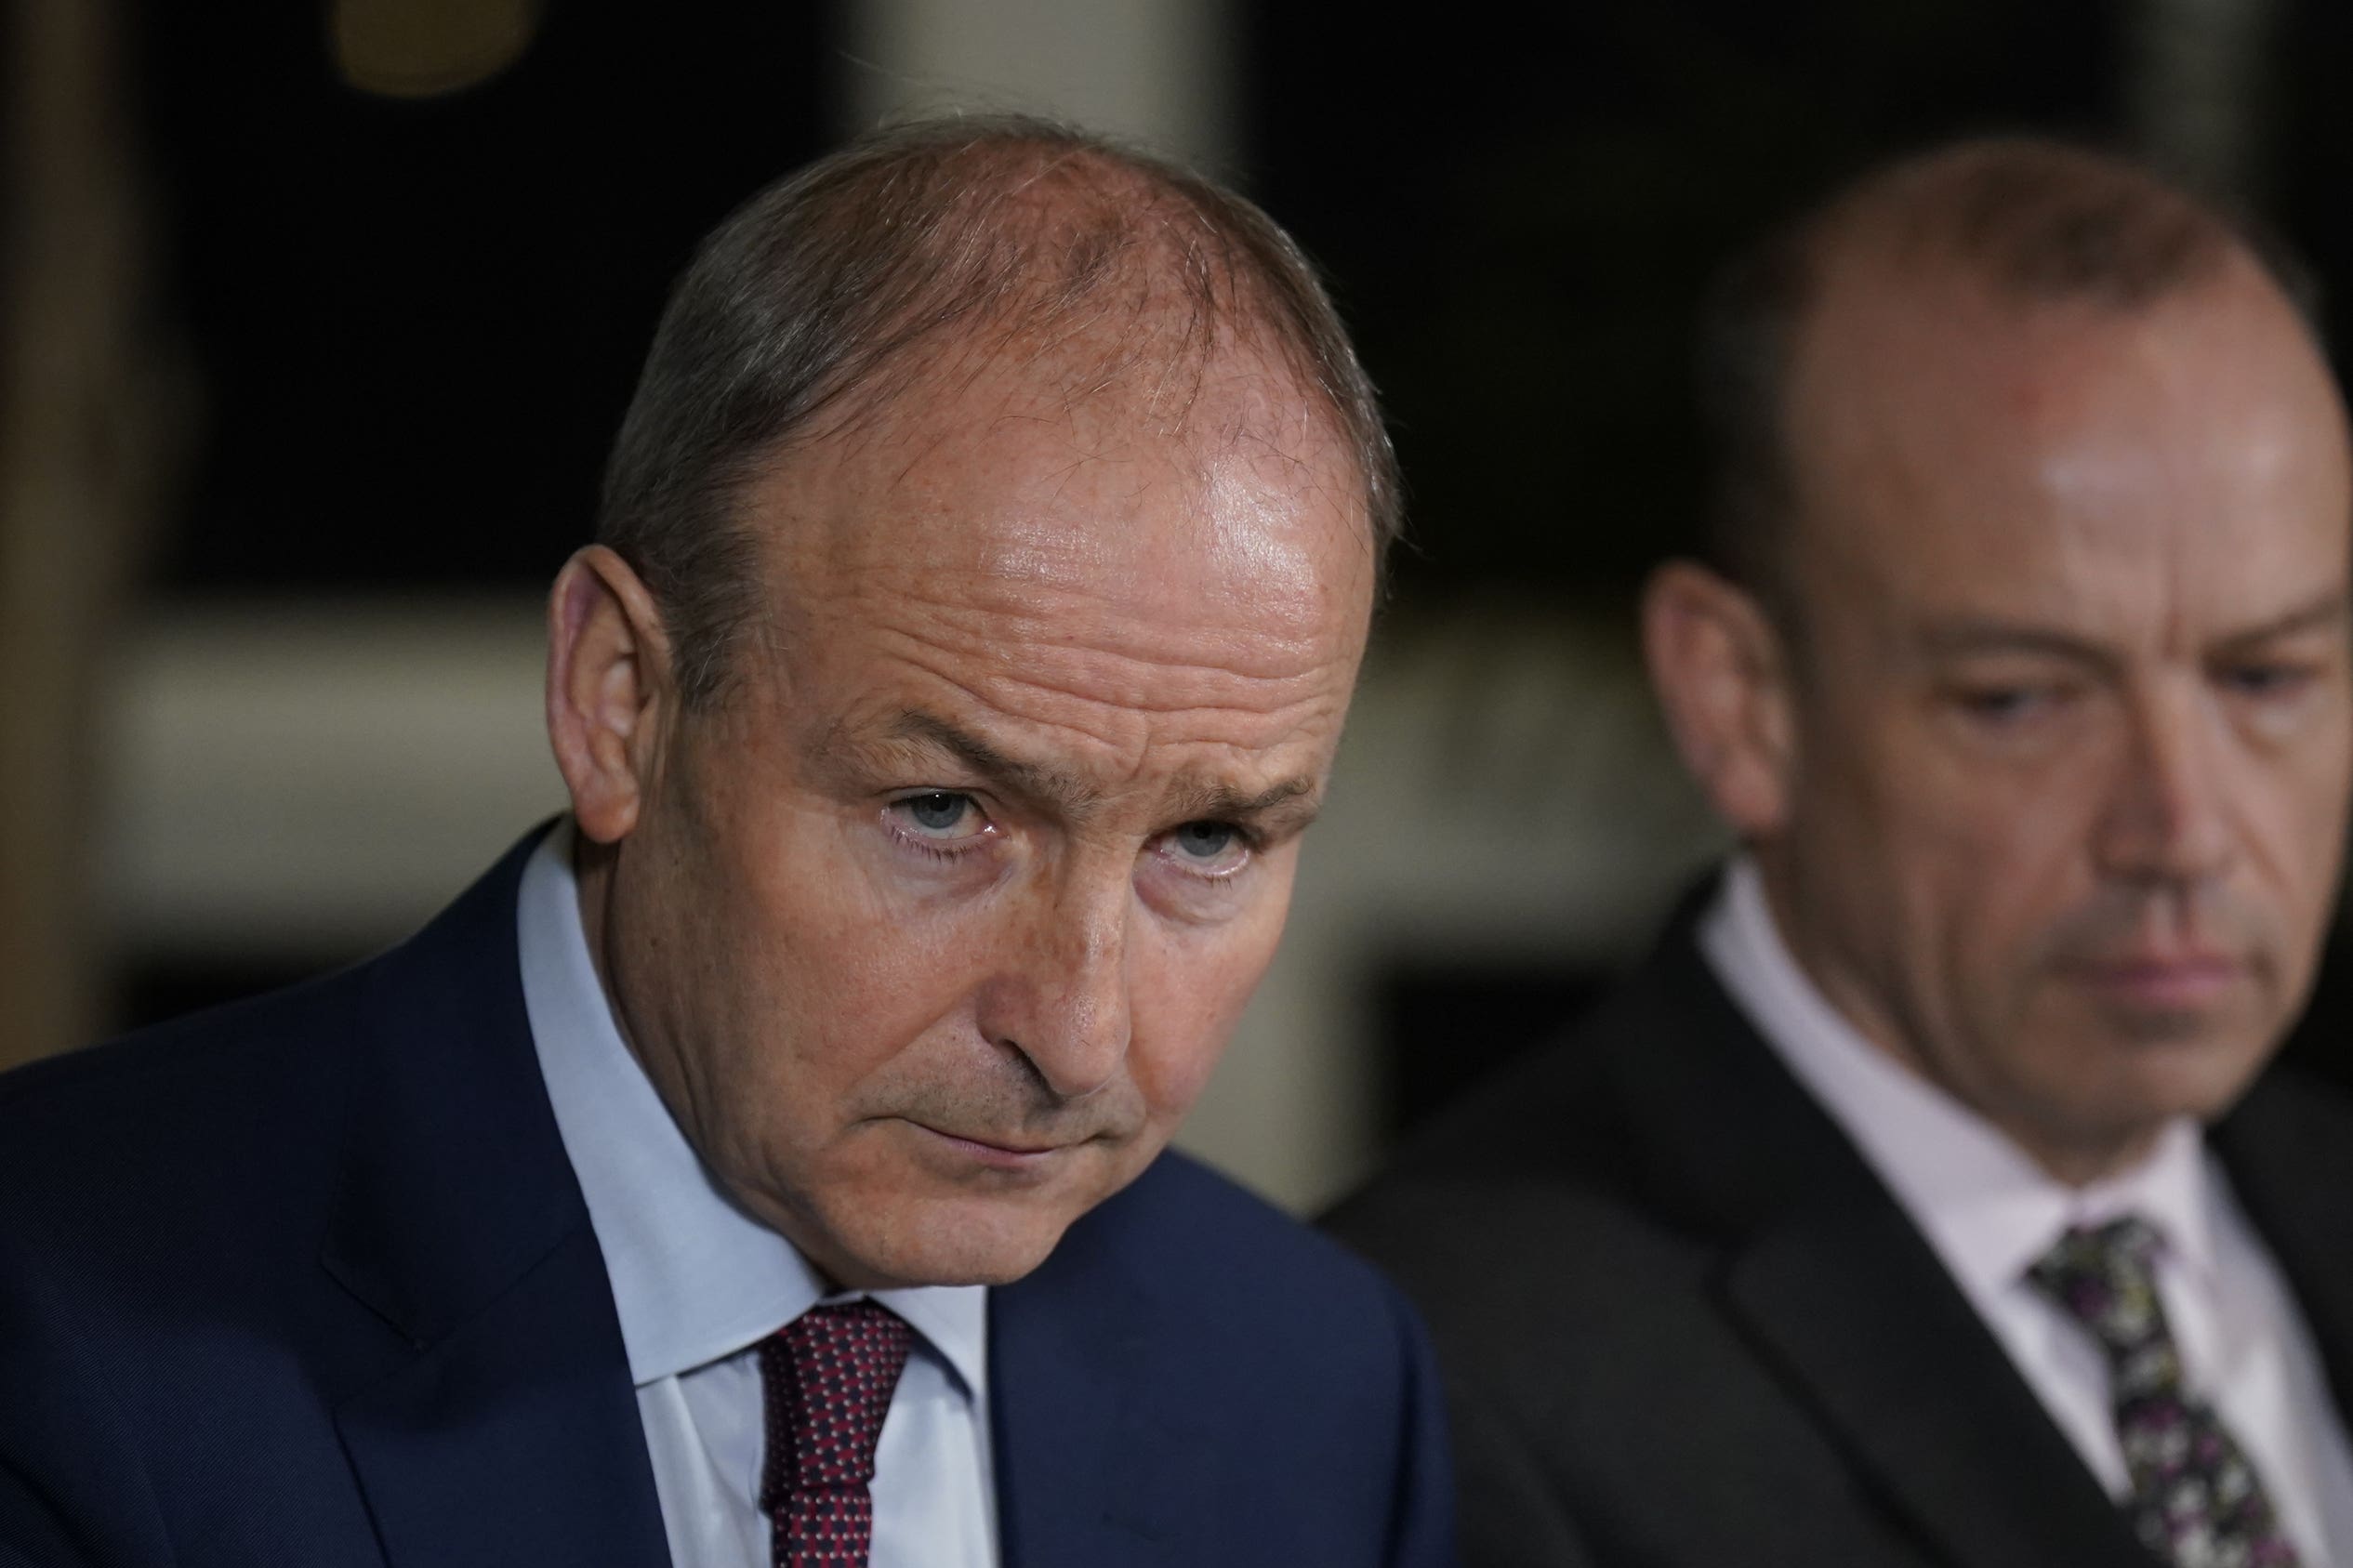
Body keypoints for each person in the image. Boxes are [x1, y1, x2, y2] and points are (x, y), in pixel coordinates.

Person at [0, 118, 1452, 1568]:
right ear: (620, 702)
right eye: (942, 814)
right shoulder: (58, 1321)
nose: (1078, 1038)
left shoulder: (1321, 1395)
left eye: (1206, 839)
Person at [1331, 138, 2353, 1568]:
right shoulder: (1425, 1386)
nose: (2182, 829)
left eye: (2266, 678)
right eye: (2022, 699)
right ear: (1740, 705)